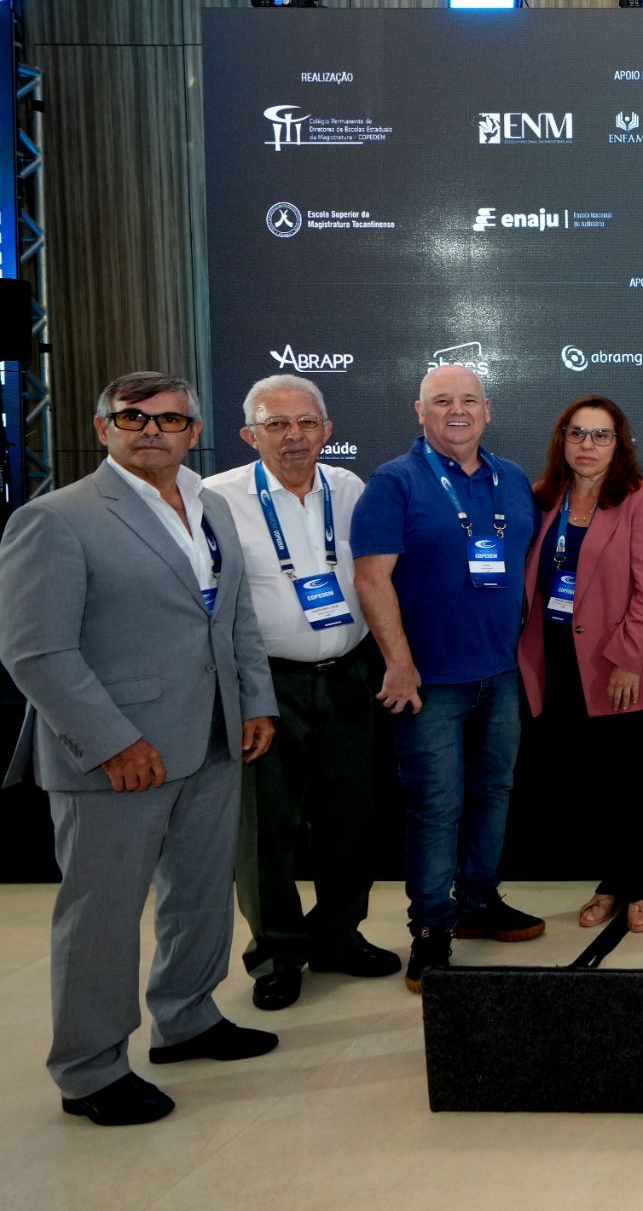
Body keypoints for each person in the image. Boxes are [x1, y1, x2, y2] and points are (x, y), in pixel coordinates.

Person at [0, 373, 280, 1125]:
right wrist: (112, 743)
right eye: (133, 417)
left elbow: (233, 616)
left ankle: (187, 1019)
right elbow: (36, 652)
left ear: (195, 432)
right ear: (103, 429)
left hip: (215, 736)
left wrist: (255, 700)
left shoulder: (211, 505)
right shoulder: (54, 519)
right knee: (102, 917)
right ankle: (89, 1070)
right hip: (118, 757)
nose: (152, 430)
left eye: (170, 419)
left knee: (199, 894)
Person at [204, 375, 400, 1012]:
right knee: (265, 831)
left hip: (349, 676)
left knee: (351, 819)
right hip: (266, 684)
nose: (294, 436)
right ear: (249, 434)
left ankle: (338, 936)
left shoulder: (351, 490)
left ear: (327, 431)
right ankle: (277, 956)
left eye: (306, 423)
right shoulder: (215, 498)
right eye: (277, 424)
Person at [351, 363, 546, 992]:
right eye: (441, 401)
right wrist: (399, 662)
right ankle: (432, 927)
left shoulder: (511, 478)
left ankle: (479, 900)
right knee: (436, 807)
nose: (456, 411)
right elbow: (371, 579)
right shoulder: (394, 482)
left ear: (488, 410)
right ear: (420, 411)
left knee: (494, 791)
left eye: (468, 400)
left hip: (502, 671)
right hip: (429, 680)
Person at [518, 396, 643, 935]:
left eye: (600, 435)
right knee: (591, 783)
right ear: (562, 440)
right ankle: (613, 881)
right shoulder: (543, 498)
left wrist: (628, 660)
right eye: (577, 434)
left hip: (622, 666)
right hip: (559, 663)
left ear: (619, 444)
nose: (586, 445)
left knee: (635, 783)